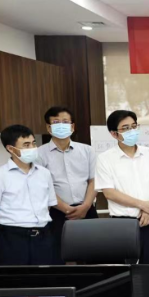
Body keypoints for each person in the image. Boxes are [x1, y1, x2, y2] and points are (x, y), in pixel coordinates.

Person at [95, 110, 149, 264]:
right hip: (122, 224)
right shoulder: (105, 159)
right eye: (126, 128)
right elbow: (110, 193)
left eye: (134, 126)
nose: (132, 131)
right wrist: (144, 206)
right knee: (125, 271)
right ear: (114, 134)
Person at [0, 125, 57, 265]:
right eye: (26, 145)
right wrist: (5, 232)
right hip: (12, 238)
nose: (32, 148)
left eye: (33, 143)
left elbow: (48, 205)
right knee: (14, 277)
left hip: (43, 236)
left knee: (46, 277)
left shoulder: (44, 173)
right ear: (10, 149)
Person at [37, 106, 98, 264]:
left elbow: (94, 180)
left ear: (72, 126)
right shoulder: (39, 154)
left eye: (65, 122)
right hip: (57, 213)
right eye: (56, 122)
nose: (61, 125)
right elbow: (43, 187)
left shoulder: (88, 151)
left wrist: (85, 206)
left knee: (92, 257)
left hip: (87, 210)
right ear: (48, 127)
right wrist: (66, 209)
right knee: (57, 258)